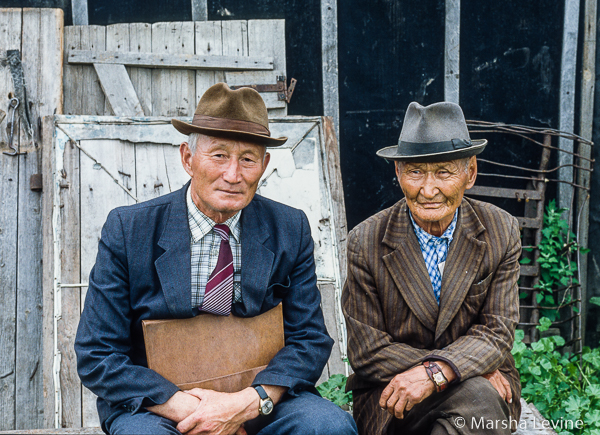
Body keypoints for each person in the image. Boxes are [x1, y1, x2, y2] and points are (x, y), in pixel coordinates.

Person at [75, 83, 358, 435]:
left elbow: (310, 339)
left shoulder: (289, 228)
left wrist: (245, 404)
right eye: (219, 155)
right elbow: (97, 353)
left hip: (259, 402)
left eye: (248, 159)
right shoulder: (129, 229)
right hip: (158, 406)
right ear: (187, 158)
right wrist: (194, 410)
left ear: (264, 164)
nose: (233, 175)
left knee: (328, 427)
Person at [342, 101, 521, 435]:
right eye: (415, 172)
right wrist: (457, 367)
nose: (428, 190)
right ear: (397, 173)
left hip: (485, 389)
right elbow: (368, 352)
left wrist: (438, 373)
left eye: (443, 172)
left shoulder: (501, 230)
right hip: (392, 392)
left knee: (472, 408)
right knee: (477, 399)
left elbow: (497, 332)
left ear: (470, 173)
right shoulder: (365, 241)